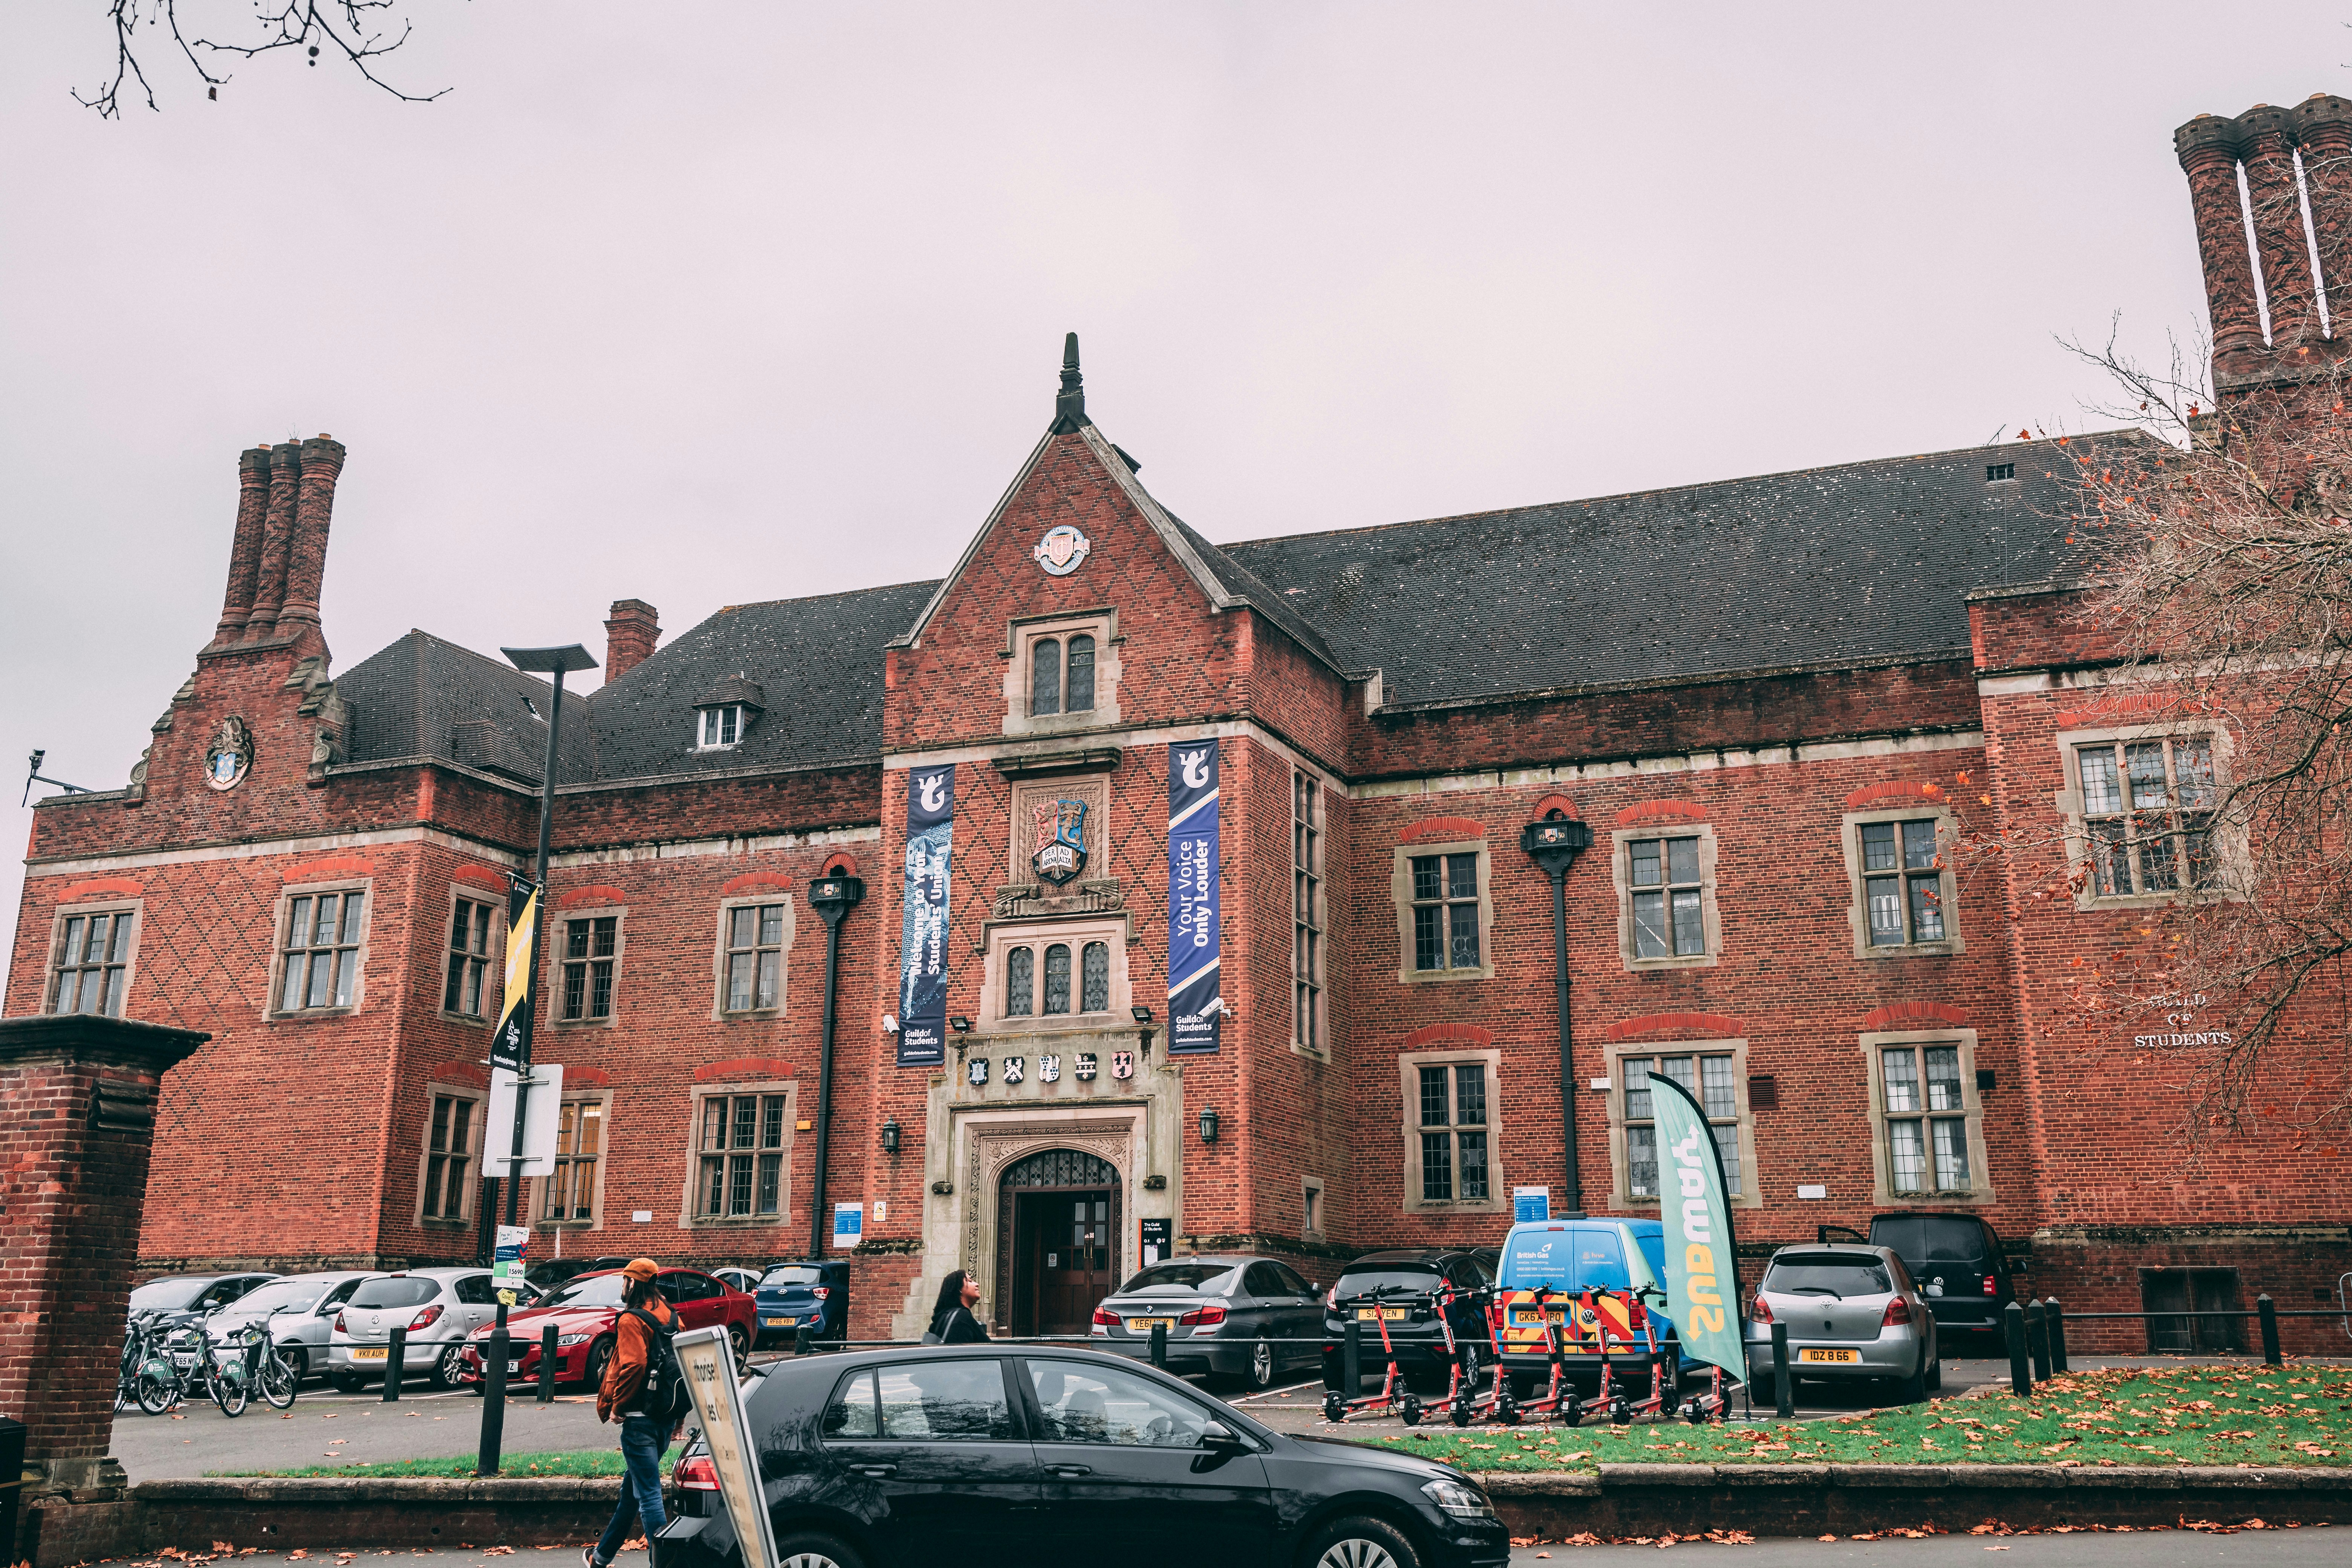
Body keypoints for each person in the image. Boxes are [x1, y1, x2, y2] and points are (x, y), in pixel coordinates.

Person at [588, 1260, 675, 1568]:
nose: (621, 1287)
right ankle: (601, 1558)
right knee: (632, 1494)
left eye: (624, 1281)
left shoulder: (631, 1320)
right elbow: (679, 1368)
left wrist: (618, 1407)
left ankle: (663, 1562)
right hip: (664, 1419)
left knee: (650, 1494)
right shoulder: (670, 1315)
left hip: (639, 1421)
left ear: (632, 1284)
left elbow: (635, 1365)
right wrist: (677, 1419)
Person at [928, 1269, 988, 1343]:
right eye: (970, 1281)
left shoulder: (945, 1316)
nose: (977, 1284)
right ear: (959, 1288)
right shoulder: (961, 1317)